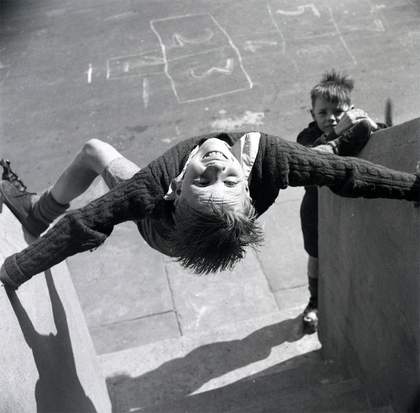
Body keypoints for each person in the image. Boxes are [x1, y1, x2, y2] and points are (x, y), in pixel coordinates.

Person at [0, 131, 419, 293]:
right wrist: (415, 186)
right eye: (227, 181)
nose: (218, 168)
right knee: (319, 163)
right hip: (199, 221)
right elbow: (345, 173)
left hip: (161, 231)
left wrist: (15, 269)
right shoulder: (273, 159)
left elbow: (84, 222)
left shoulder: (152, 190)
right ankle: (36, 214)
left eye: (206, 181)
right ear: (250, 199)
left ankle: (35, 214)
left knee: (95, 151)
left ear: (178, 189)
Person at [296, 70, 389, 333]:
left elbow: (382, 139)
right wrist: (338, 131)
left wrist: (375, 127)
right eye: (323, 112)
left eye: (338, 111)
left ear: (351, 109)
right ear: (312, 113)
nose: (331, 117)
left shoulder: (358, 125)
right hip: (315, 208)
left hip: (348, 206)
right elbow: (309, 157)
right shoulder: (306, 137)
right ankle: (314, 303)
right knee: (316, 255)